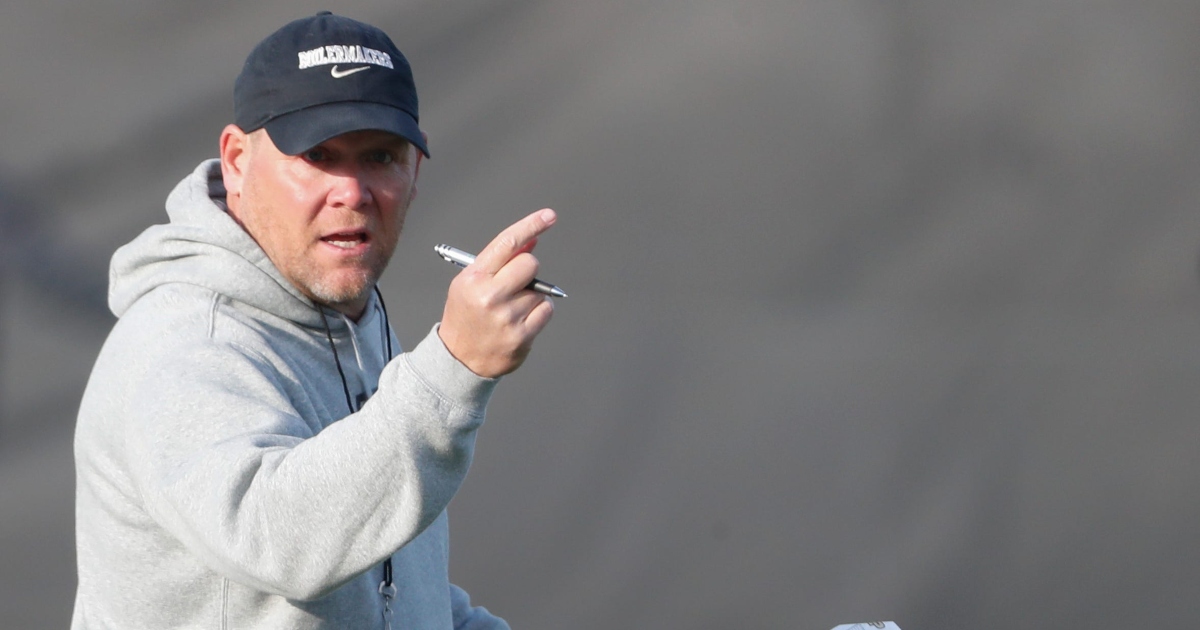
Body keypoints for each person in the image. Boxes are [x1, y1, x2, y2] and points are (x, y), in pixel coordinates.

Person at [71, 12, 556, 629]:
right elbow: (279, 540)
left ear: (414, 171)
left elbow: (395, 591)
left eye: (380, 156)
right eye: (318, 155)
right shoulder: (184, 339)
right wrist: (454, 367)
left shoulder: (349, 317)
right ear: (237, 160)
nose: (351, 191)